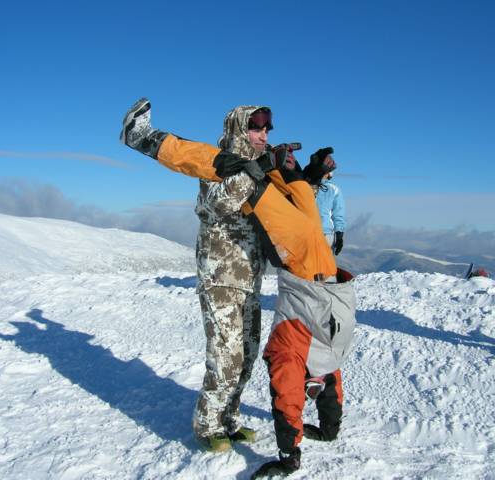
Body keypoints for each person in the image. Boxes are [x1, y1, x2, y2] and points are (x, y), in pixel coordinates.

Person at [120, 98, 357, 476]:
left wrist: (309, 176)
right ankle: (208, 425)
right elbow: (220, 204)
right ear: (238, 130)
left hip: (249, 278)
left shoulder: (259, 167)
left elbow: (293, 210)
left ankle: (228, 420)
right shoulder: (221, 164)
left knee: (246, 354)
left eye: (266, 130)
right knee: (226, 356)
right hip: (221, 277)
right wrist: (255, 169)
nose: (263, 135)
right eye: (255, 128)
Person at [308, 170, 346, 255]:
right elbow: (338, 215)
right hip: (324, 234)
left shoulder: (305, 185)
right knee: (324, 262)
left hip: (319, 233)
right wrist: (339, 236)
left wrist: (339, 236)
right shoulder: (334, 189)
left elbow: (338, 215)